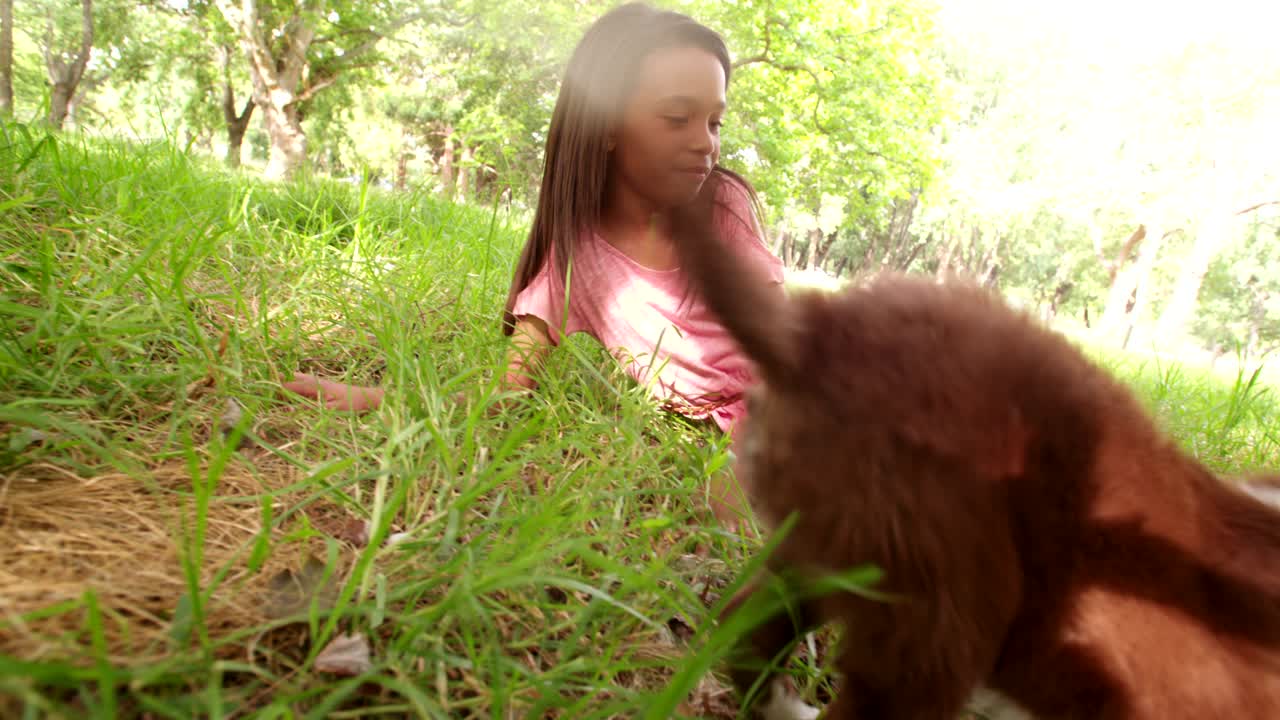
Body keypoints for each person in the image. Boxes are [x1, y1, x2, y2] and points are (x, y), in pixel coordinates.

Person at [285, 2, 785, 532]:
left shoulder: (721, 205)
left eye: (714, 121)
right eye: (677, 118)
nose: (705, 142)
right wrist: (371, 398)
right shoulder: (574, 261)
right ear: (605, 124)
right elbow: (507, 395)